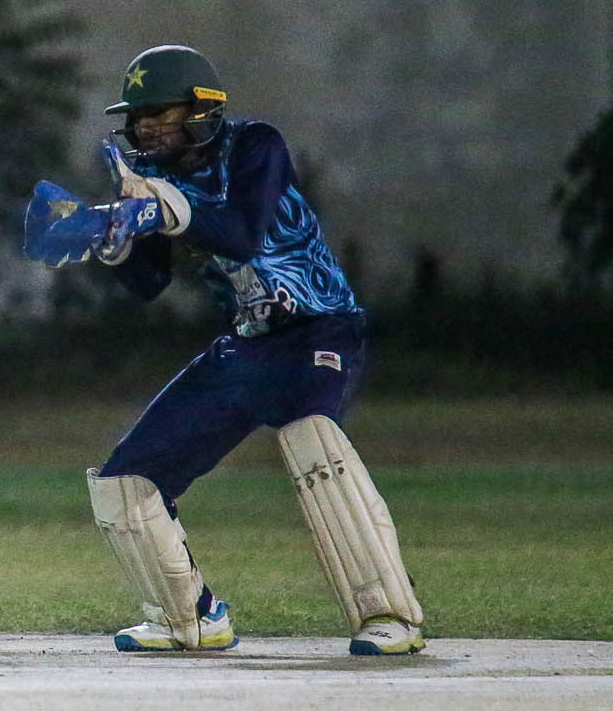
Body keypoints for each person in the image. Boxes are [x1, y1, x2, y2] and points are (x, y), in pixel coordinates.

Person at [23, 45, 424, 656]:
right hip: (249, 343)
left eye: (160, 112)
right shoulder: (152, 180)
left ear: (201, 109)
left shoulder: (256, 145)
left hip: (320, 328)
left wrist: (160, 210)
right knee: (127, 481)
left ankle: (390, 615)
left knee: (314, 441)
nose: (145, 127)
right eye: (137, 116)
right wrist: (112, 239)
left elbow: (241, 231)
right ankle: (191, 618)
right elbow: (149, 284)